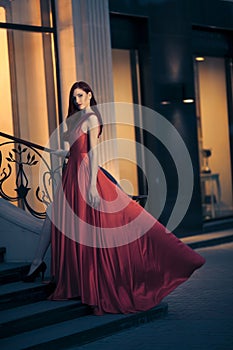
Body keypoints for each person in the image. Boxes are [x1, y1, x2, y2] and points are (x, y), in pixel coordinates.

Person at [24, 81, 205, 315]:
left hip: (84, 175)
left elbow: (94, 153)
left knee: (90, 221)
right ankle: (39, 264)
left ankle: (177, 258)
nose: (76, 100)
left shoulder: (91, 118)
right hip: (72, 172)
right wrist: (64, 153)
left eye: (80, 95)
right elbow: (77, 149)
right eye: (74, 96)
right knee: (55, 216)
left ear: (89, 95)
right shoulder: (78, 118)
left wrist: (91, 187)